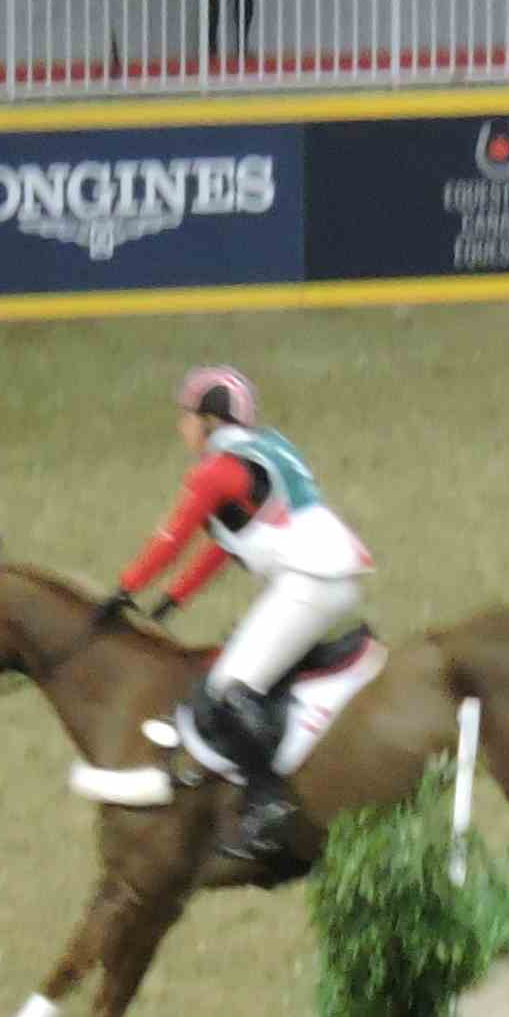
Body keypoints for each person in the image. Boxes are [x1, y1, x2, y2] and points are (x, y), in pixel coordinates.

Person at [103, 366, 373, 862]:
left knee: (229, 686)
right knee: (246, 664)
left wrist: (124, 588)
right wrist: (174, 598)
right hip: (331, 573)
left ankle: (268, 803)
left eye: (187, 416)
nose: (181, 426)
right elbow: (223, 546)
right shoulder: (266, 447)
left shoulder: (215, 471)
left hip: (308, 580)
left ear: (209, 420)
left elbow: (172, 538)